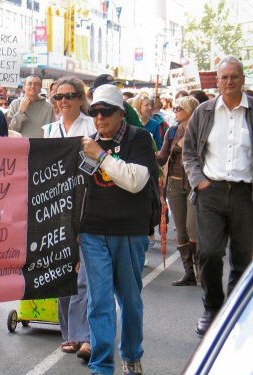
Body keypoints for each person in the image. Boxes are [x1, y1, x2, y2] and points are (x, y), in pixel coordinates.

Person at [81, 84, 156, 375]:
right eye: (94, 112)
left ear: (121, 114)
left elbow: (135, 181)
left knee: (130, 300)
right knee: (99, 301)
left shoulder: (139, 138)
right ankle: (101, 366)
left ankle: (132, 355)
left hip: (129, 231)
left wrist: (101, 155)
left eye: (106, 112)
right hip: (93, 232)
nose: (99, 118)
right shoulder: (87, 143)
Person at [183, 56, 253, 337]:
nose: (228, 82)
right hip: (210, 191)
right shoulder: (204, 111)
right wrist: (199, 181)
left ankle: (234, 312)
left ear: (242, 79)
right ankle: (212, 307)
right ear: (218, 80)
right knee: (209, 253)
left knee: (244, 257)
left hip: (244, 193)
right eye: (224, 78)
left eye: (234, 77)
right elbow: (189, 152)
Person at [42, 76, 95, 361]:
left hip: (85, 202)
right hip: (55, 205)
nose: (64, 101)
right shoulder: (49, 129)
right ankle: (69, 333)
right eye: (58, 97)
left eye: (69, 96)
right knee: (62, 271)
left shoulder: (92, 126)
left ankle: (83, 334)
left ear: (80, 98)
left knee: (83, 274)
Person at [157, 96, 200, 286]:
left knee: (193, 229)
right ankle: (188, 272)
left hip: (194, 185)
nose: (175, 111)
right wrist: (148, 151)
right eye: (174, 108)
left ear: (190, 110)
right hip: (174, 185)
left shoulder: (201, 130)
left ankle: (201, 270)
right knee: (181, 230)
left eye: (179, 108)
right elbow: (162, 157)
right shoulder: (173, 131)